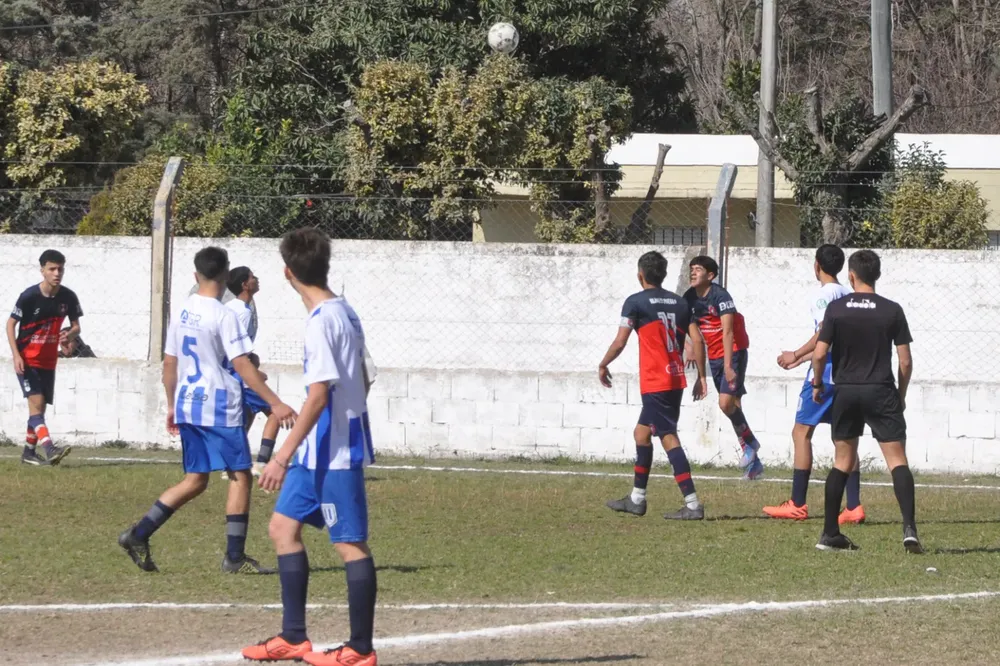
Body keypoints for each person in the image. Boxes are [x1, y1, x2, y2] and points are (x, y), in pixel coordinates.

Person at [243, 228, 378, 666]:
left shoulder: (325, 322)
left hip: (334, 451)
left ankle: (359, 649)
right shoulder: (344, 311)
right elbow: (365, 375)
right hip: (316, 450)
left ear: (287, 273)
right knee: (282, 529)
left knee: (350, 545)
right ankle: (293, 637)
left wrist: (280, 456)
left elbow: (319, 396)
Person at [117, 247, 297, 574]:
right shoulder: (224, 315)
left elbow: (170, 363)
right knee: (240, 476)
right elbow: (241, 364)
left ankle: (138, 534)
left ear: (195, 275)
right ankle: (234, 558)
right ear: (227, 276)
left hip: (188, 403)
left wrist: (172, 405)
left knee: (196, 480)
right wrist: (275, 402)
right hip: (218, 406)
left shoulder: (183, 311)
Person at [812, 249, 921, 553]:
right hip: (880, 389)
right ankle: (909, 529)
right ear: (878, 275)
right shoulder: (892, 310)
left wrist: (818, 384)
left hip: (846, 390)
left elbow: (820, 353)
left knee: (842, 461)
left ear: (851, 275)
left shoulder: (836, 309)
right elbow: (906, 362)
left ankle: (830, 533)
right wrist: (900, 395)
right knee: (897, 460)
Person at [601, 251, 709, 521]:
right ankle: (637, 499)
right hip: (675, 379)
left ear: (640, 275)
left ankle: (693, 504)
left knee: (668, 436)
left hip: (656, 381)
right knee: (641, 433)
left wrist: (603, 364)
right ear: (663, 275)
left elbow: (620, 341)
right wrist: (703, 377)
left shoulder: (635, 302)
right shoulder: (680, 303)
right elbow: (698, 341)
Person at [763, 244, 865, 523]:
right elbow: (835, 339)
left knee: (801, 432)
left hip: (826, 374)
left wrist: (796, 353)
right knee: (844, 439)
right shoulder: (849, 293)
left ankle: (797, 503)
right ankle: (854, 506)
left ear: (816, 265)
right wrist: (801, 359)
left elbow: (823, 332)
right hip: (848, 375)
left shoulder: (824, 295)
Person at [683, 256, 763, 479]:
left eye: (698, 269)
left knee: (725, 403)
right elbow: (694, 337)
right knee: (733, 405)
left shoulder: (721, 296)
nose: (693, 273)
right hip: (715, 358)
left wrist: (729, 365)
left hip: (734, 352)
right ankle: (753, 461)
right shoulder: (688, 299)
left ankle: (750, 444)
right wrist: (700, 373)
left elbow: (728, 332)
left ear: (710, 276)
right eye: (691, 269)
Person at [6, 249, 81, 466]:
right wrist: (16, 355)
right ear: (42, 271)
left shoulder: (68, 296)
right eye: (52, 269)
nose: (57, 273)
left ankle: (29, 453)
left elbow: (76, 327)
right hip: (27, 360)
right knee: (36, 403)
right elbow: (11, 325)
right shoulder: (29, 296)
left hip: (49, 361)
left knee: (39, 409)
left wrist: (68, 335)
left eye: (60, 269)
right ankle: (49, 448)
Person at [224, 266, 282, 478]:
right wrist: (254, 370)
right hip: (240, 373)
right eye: (252, 277)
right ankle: (262, 463)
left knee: (246, 416)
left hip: (230, 373)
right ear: (244, 285)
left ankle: (231, 464)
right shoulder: (243, 312)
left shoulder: (229, 307)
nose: (256, 279)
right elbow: (239, 350)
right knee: (276, 413)